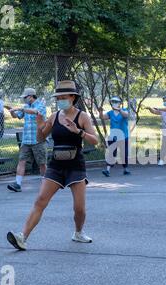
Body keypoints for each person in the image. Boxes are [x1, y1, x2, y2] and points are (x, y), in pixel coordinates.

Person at [7, 80, 99, 250]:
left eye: (63, 97)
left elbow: (95, 141)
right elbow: (40, 139)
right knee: (40, 200)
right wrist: (39, 124)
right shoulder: (54, 116)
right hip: (56, 165)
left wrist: (78, 131)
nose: (60, 100)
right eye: (58, 98)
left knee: (79, 208)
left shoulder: (82, 117)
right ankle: (22, 237)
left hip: (75, 165)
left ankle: (78, 232)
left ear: (73, 97)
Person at [7, 88, 47, 192]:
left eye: (25, 97)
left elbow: (35, 112)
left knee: (42, 163)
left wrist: (20, 109)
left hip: (38, 139)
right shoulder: (25, 107)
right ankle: (17, 184)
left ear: (31, 96)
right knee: (21, 161)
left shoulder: (41, 105)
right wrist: (11, 110)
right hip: (26, 140)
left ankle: (46, 185)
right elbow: (17, 116)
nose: (24, 99)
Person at [99, 96, 131, 177]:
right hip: (113, 137)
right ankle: (107, 170)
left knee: (124, 154)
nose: (114, 103)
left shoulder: (124, 111)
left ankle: (125, 169)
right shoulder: (110, 113)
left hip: (123, 137)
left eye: (116, 102)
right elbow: (102, 117)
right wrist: (100, 111)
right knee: (111, 153)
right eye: (113, 102)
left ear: (120, 103)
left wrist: (119, 109)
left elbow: (126, 115)